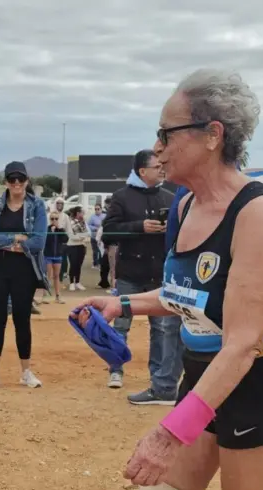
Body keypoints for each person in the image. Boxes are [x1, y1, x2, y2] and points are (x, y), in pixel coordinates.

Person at [76, 68, 263, 490]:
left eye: (166, 133)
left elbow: (244, 341)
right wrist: (123, 303)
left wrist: (167, 433)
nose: (156, 148)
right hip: (207, 374)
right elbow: (188, 295)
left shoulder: (260, 213)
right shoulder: (183, 205)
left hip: (259, 381)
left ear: (213, 134)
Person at [101, 150, 182, 402]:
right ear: (141, 171)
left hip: (159, 274)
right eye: (156, 166)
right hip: (130, 273)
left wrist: (169, 229)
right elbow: (108, 232)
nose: (161, 169)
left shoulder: (169, 196)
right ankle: (115, 369)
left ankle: (158, 376)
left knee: (162, 329)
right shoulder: (121, 197)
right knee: (121, 323)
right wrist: (139, 227)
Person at [0, 161, 47, 390]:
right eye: (11, 179)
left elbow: (38, 241)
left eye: (20, 179)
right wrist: (18, 239)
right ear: (5, 182)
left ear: (27, 181)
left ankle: (26, 371)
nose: (16, 183)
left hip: (24, 270)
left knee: (22, 319)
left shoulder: (36, 205)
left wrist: (7, 240)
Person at [42, 198, 66, 303]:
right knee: (47, 276)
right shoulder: (46, 229)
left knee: (57, 276)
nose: (54, 221)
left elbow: (65, 239)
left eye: (56, 218)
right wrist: (50, 231)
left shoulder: (60, 230)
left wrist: (59, 229)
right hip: (48, 255)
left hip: (58, 255)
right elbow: (45, 241)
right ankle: (45, 296)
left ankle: (57, 296)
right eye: (52, 219)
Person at [65, 206, 89, 290]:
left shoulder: (83, 222)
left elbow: (88, 233)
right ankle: (71, 282)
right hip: (72, 246)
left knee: (79, 265)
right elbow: (71, 236)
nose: (83, 214)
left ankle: (77, 282)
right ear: (78, 213)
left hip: (82, 246)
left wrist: (81, 237)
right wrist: (81, 237)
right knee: (73, 264)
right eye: (82, 212)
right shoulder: (70, 222)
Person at [87, 202, 105, 267]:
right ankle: (95, 263)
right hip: (94, 236)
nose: (97, 210)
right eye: (95, 209)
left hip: (101, 237)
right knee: (95, 251)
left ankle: (101, 263)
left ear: (101, 209)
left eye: (98, 209)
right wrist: (95, 228)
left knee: (101, 250)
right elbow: (88, 225)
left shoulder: (104, 216)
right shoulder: (92, 217)